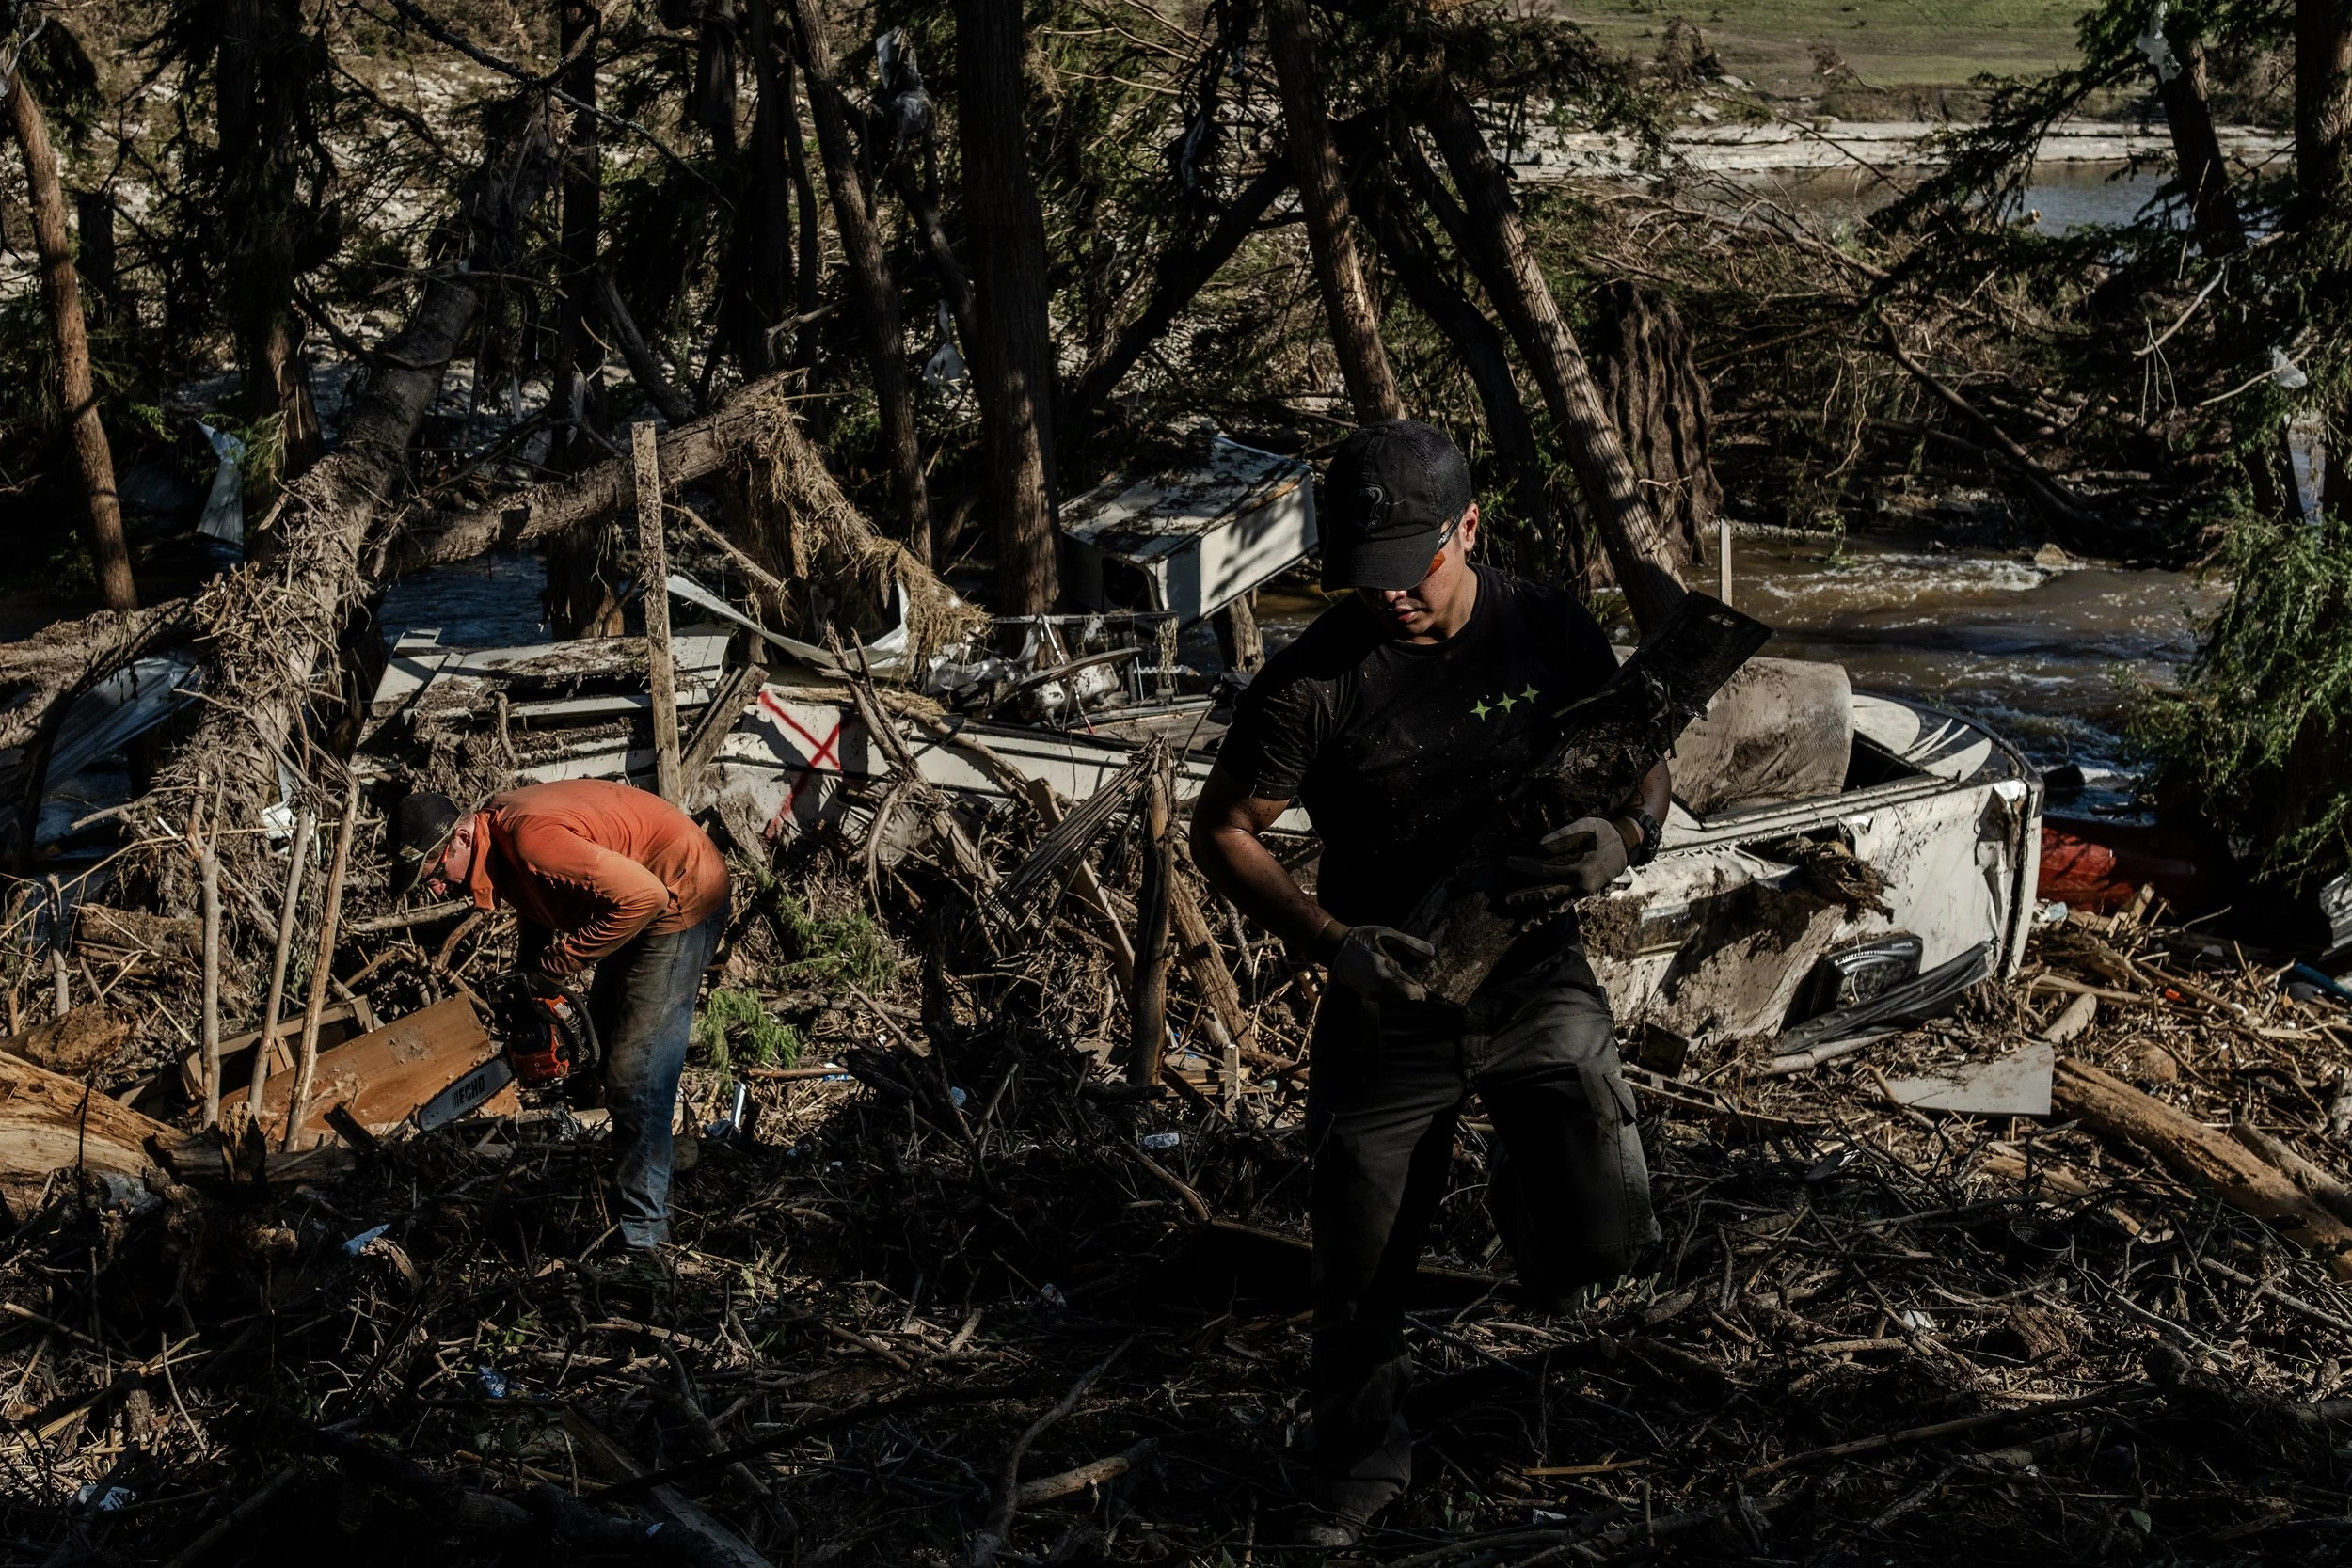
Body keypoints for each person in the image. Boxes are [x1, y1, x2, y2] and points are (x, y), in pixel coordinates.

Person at [1190, 420, 1666, 1546]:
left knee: (1606, 1236)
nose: (1391, 597)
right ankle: (1359, 1462)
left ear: (1468, 527)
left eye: (1413, 569)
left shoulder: (1542, 622)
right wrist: (1328, 938)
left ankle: (1525, 1183)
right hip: (1389, 991)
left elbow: (1640, 740)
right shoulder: (1314, 679)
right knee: (1360, 1257)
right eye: (1366, 576)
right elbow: (1224, 832)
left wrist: (1627, 831)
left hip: (1530, 966)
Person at [387, 778, 729, 1251]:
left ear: (461, 838)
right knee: (604, 1045)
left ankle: (645, 1238)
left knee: (636, 1072)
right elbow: (541, 899)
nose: (438, 888)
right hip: (641, 898)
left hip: (679, 896)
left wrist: (553, 967)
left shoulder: (531, 840)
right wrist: (527, 975)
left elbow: (643, 897)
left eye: (434, 873)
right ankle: (622, 1176)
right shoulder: (502, 839)